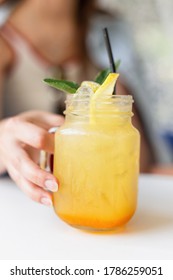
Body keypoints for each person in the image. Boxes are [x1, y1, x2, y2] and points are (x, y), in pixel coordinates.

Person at [0, 0, 159, 206]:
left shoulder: (113, 33)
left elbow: (139, 163)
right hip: (25, 213)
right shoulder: (6, 40)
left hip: (101, 204)